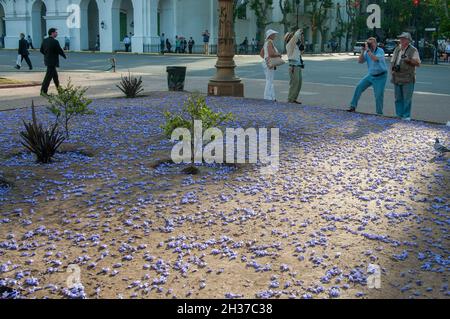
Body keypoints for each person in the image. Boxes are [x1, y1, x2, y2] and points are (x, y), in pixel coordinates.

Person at [347, 37, 387, 115]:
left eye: (370, 43)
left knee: (378, 95)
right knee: (359, 87)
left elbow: (375, 59)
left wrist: (367, 50)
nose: (369, 45)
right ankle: (352, 106)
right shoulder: (367, 52)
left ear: (375, 43)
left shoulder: (380, 51)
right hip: (371, 75)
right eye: (368, 43)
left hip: (380, 76)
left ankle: (379, 113)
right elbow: (360, 61)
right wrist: (362, 51)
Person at [391, 32, 421, 121]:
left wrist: (409, 60)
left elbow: (418, 63)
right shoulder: (397, 49)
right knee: (397, 98)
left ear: (408, 40)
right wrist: (392, 71)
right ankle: (399, 115)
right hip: (397, 76)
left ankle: (406, 116)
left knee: (407, 98)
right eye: (401, 38)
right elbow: (393, 61)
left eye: (403, 38)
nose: (401, 40)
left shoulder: (413, 50)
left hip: (408, 77)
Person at [40, 28, 66, 95]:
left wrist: (47, 55)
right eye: (56, 32)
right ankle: (43, 91)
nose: (57, 33)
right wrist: (64, 55)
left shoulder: (45, 40)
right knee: (48, 78)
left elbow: (41, 50)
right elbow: (59, 50)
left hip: (47, 61)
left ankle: (60, 91)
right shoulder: (55, 42)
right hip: (53, 62)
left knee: (55, 77)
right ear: (52, 33)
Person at [261, 29, 281, 101]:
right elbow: (271, 53)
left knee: (269, 80)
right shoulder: (270, 42)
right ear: (270, 35)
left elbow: (261, 54)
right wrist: (278, 54)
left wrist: (266, 58)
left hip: (266, 62)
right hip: (269, 63)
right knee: (269, 80)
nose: (275, 35)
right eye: (274, 34)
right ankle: (268, 97)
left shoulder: (266, 42)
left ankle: (271, 97)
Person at [285, 29, 304, 104]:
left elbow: (302, 50)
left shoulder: (295, 46)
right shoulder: (289, 45)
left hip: (298, 66)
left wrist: (301, 40)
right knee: (294, 83)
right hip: (293, 67)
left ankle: (294, 98)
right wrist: (299, 31)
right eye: (291, 36)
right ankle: (290, 99)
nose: (293, 37)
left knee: (299, 83)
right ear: (289, 38)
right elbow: (295, 37)